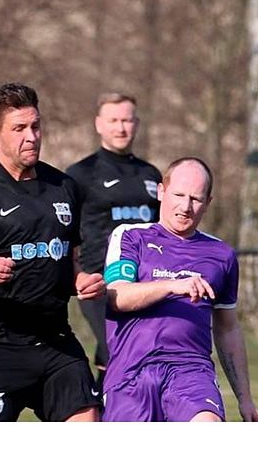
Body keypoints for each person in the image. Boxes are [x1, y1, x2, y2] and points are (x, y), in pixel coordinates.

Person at [0, 82, 105, 422]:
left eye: (36, 126)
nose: (32, 136)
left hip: (56, 343)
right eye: (19, 129)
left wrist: (83, 281)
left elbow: (69, 262)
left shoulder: (64, 187)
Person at [102, 157, 258, 422]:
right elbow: (116, 297)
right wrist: (173, 286)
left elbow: (227, 328)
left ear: (208, 203)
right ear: (161, 192)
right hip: (131, 373)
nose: (186, 207)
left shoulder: (221, 254)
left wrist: (245, 398)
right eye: (178, 195)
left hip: (190, 371)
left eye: (196, 199)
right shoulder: (130, 236)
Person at [65, 92, 161, 389]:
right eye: (114, 121)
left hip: (144, 281)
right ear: (99, 124)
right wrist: (76, 274)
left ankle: (104, 405)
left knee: (137, 353)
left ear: (137, 124)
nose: (121, 128)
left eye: (127, 120)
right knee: (116, 346)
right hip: (99, 282)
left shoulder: (151, 174)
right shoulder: (79, 175)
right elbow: (65, 232)